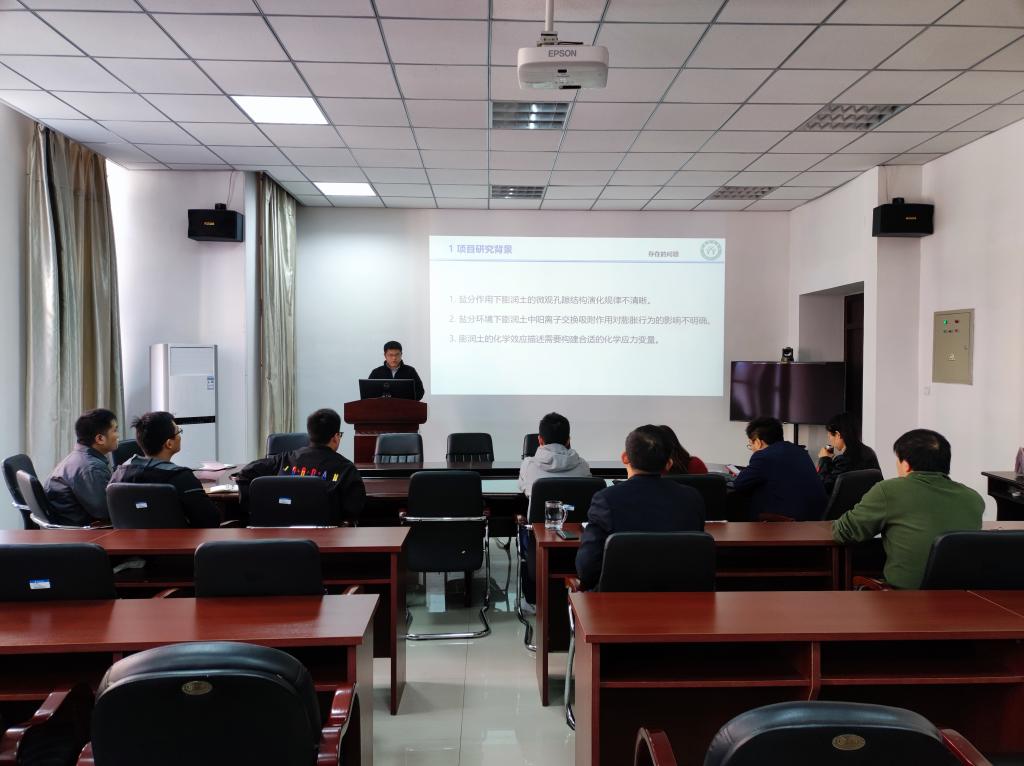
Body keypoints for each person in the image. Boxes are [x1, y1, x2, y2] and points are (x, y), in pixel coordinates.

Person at [832, 428, 984, 589]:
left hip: (904, 596)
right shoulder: (973, 498)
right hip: (962, 596)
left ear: (905, 465)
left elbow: (843, 532)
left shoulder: (888, 491)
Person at [576, 425, 706, 590]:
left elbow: (586, 569)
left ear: (625, 457)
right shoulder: (692, 498)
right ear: (668, 463)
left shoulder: (606, 499)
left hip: (619, 601)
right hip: (681, 599)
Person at [236, 408, 365, 526]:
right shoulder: (346, 469)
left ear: (310, 435)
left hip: (280, 534)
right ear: (336, 437)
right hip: (325, 537)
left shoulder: (284, 459)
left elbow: (245, 474)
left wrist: (255, 510)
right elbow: (353, 511)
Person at [110, 411, 220, 528]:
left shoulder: (118, 474)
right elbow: (210, 520)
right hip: (180, 540)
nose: (180, 436)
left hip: (129, 540)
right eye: (178, 432)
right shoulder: (182, 477)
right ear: (169, 444)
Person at [731, 416, 827, 521]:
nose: (752, 449)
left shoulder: (763, 456)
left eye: (751, 445)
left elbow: (739, 484)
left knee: (738, 503)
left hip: (790, 521)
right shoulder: (800, 451)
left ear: (758, 442)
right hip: (818, 517)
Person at [44, 408, 119, 526]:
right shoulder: (91, 468)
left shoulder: (78, 457)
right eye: (115, 430)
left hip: (68, 526)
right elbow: (106, 512)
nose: (118, 435)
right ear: (100, 439)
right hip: (82, 532)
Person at [518, 412, 592, 497]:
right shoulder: (583, 466)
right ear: (568, 440)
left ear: (540, 440)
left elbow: (523, 488)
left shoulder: (528, 465)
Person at [816, 412, 881, 496]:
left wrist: (824, 459)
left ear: (838, 435)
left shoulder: (843, 460)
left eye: (830, 436)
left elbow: (824, 488)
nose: (830, 440)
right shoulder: (869, 452)